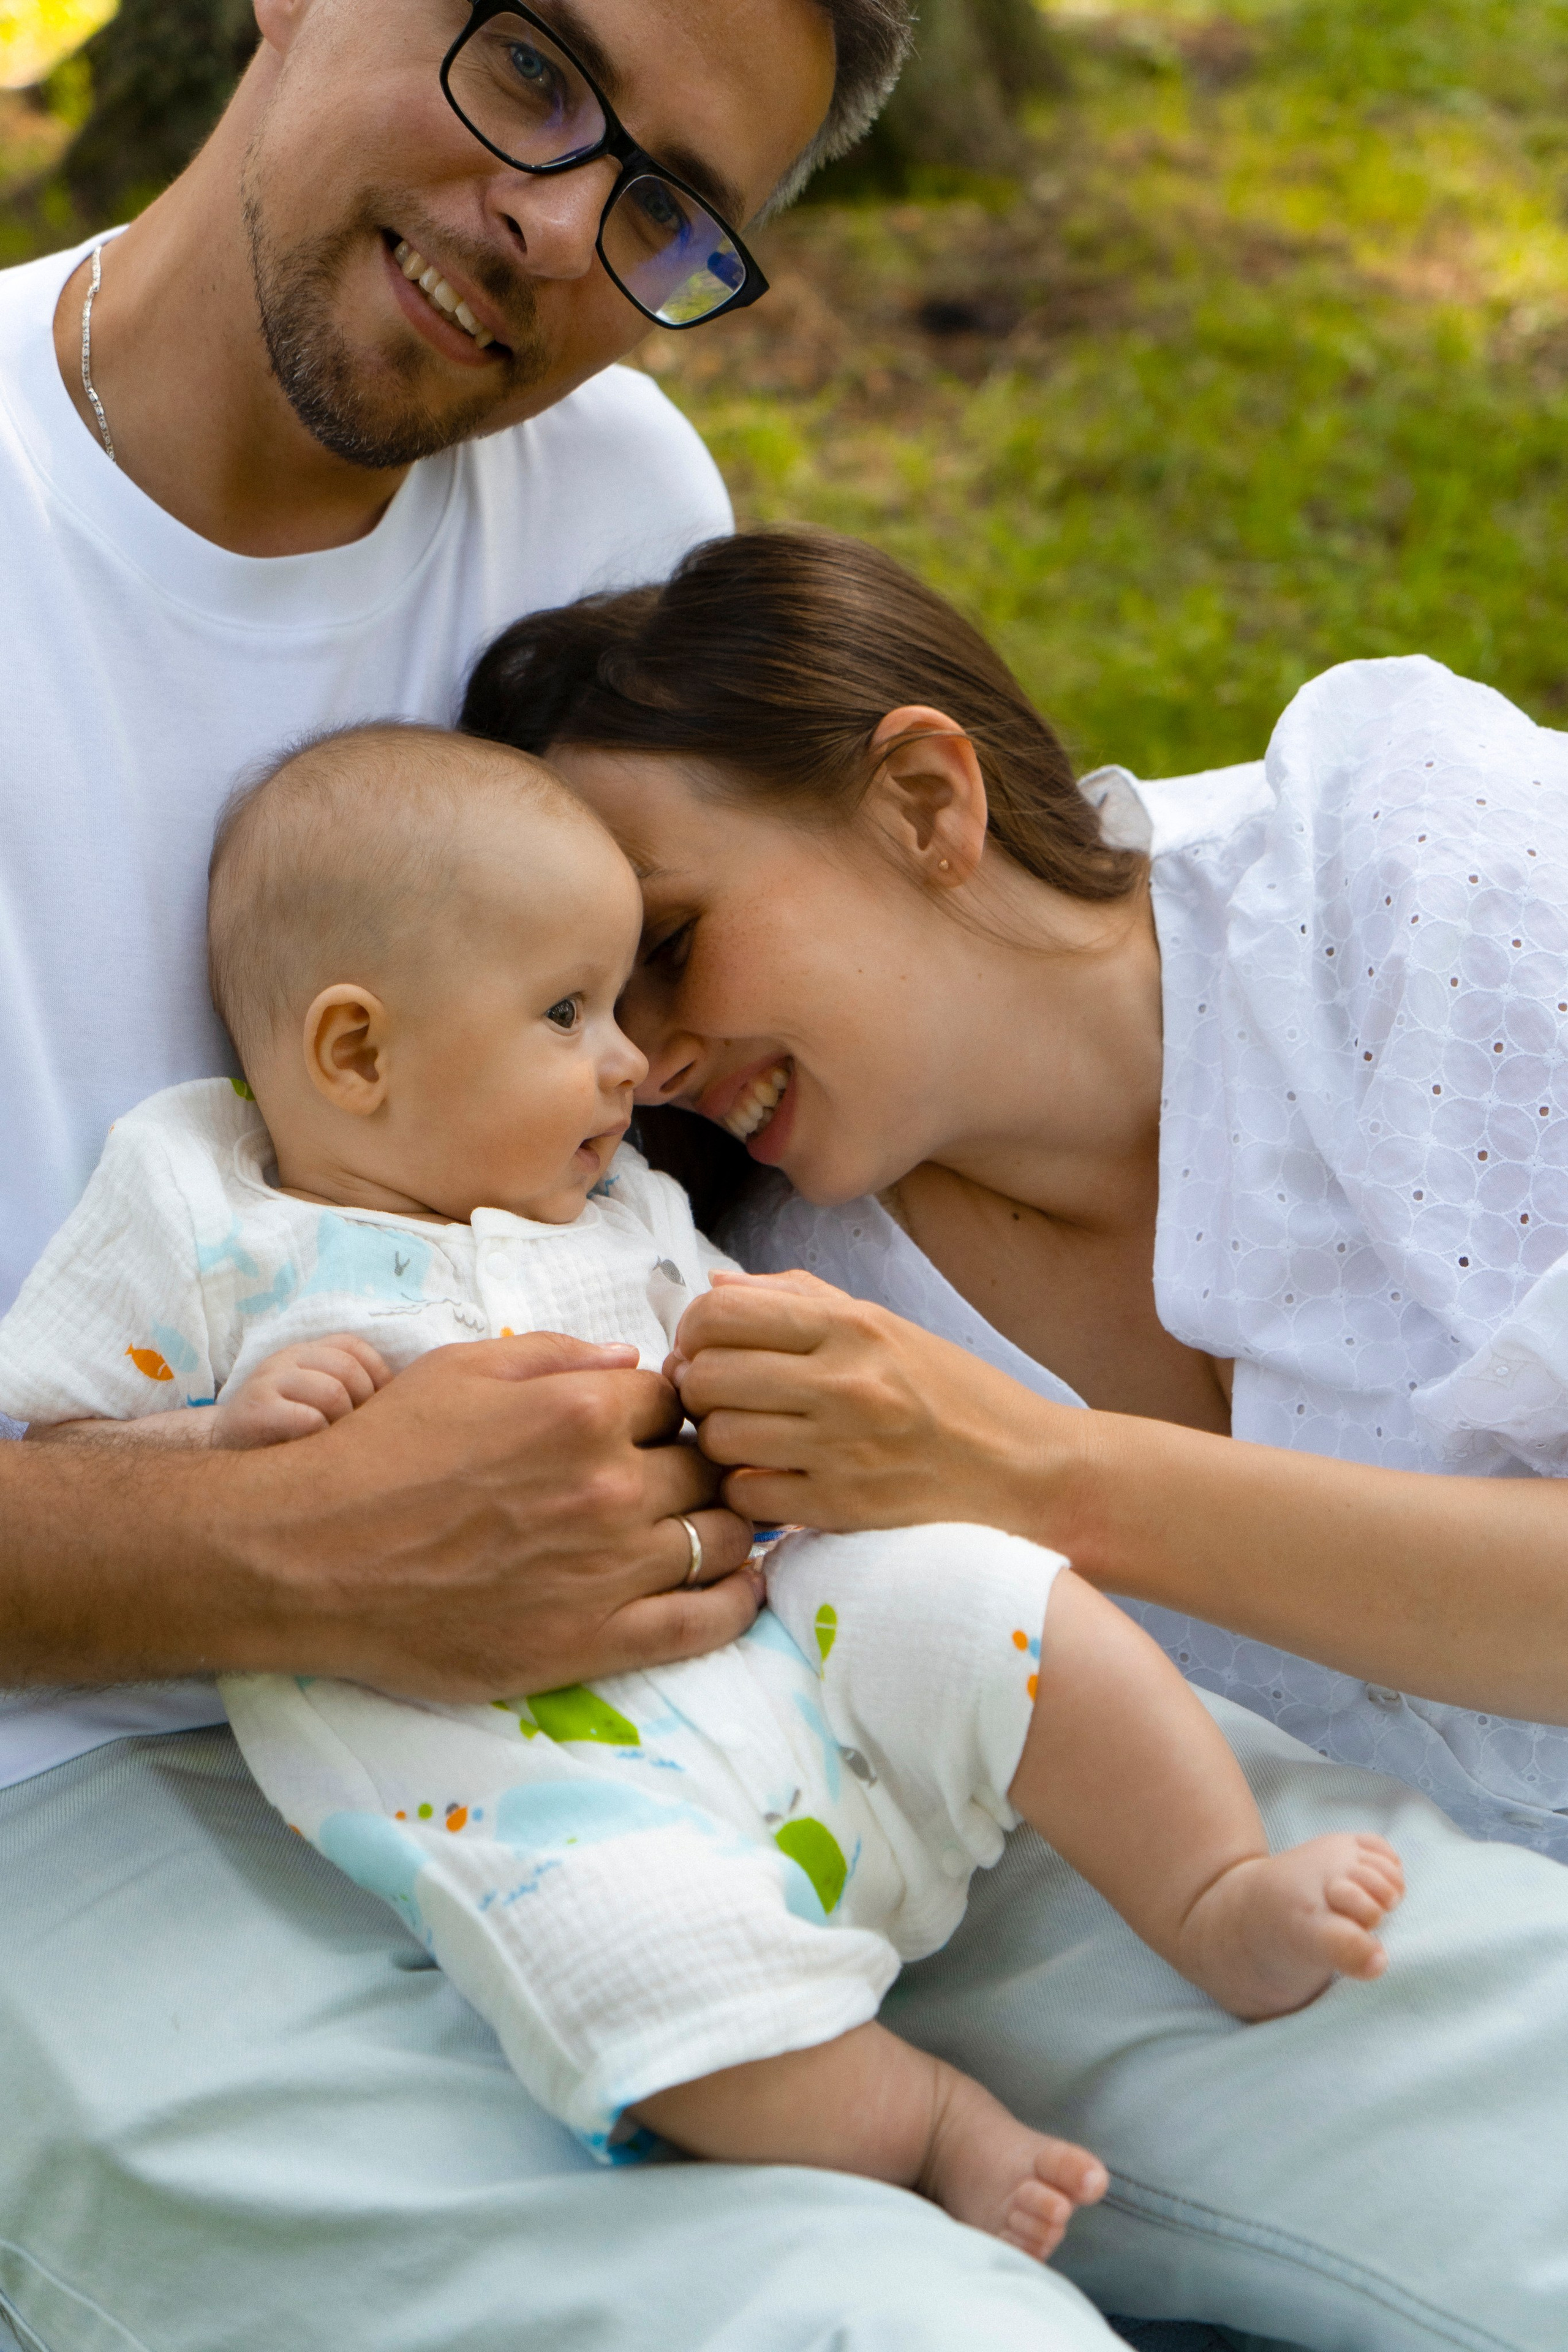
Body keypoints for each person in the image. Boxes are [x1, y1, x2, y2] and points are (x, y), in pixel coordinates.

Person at [4, 6, 1164, 2349]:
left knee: (1434, 2031)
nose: (555, 222)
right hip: (76, 1801)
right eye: (530, 63)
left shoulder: (615, 486)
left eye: (667, 209)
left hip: (717, 1667)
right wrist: (255, 1547)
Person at [1, 722, 1407, 2271]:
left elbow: (735, 1329)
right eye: (566, 1011)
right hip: (510, 1752)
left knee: (990, 1604)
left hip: (786, 1634)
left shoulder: (626, 1202)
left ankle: (1211, 1886)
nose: (629, 1059)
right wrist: (230, 1448)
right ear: (353, 1053)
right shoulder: (208, 1204)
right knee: (620, 1960)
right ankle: (922, 2124)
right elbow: (56, 1424)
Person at [454, 522, 1568, 2350]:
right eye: (578, 999)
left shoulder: (1405, 869)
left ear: (922, 797)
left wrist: (1041, 1476)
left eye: (666, 945)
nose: (637, 1058)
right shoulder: (767, 1296)